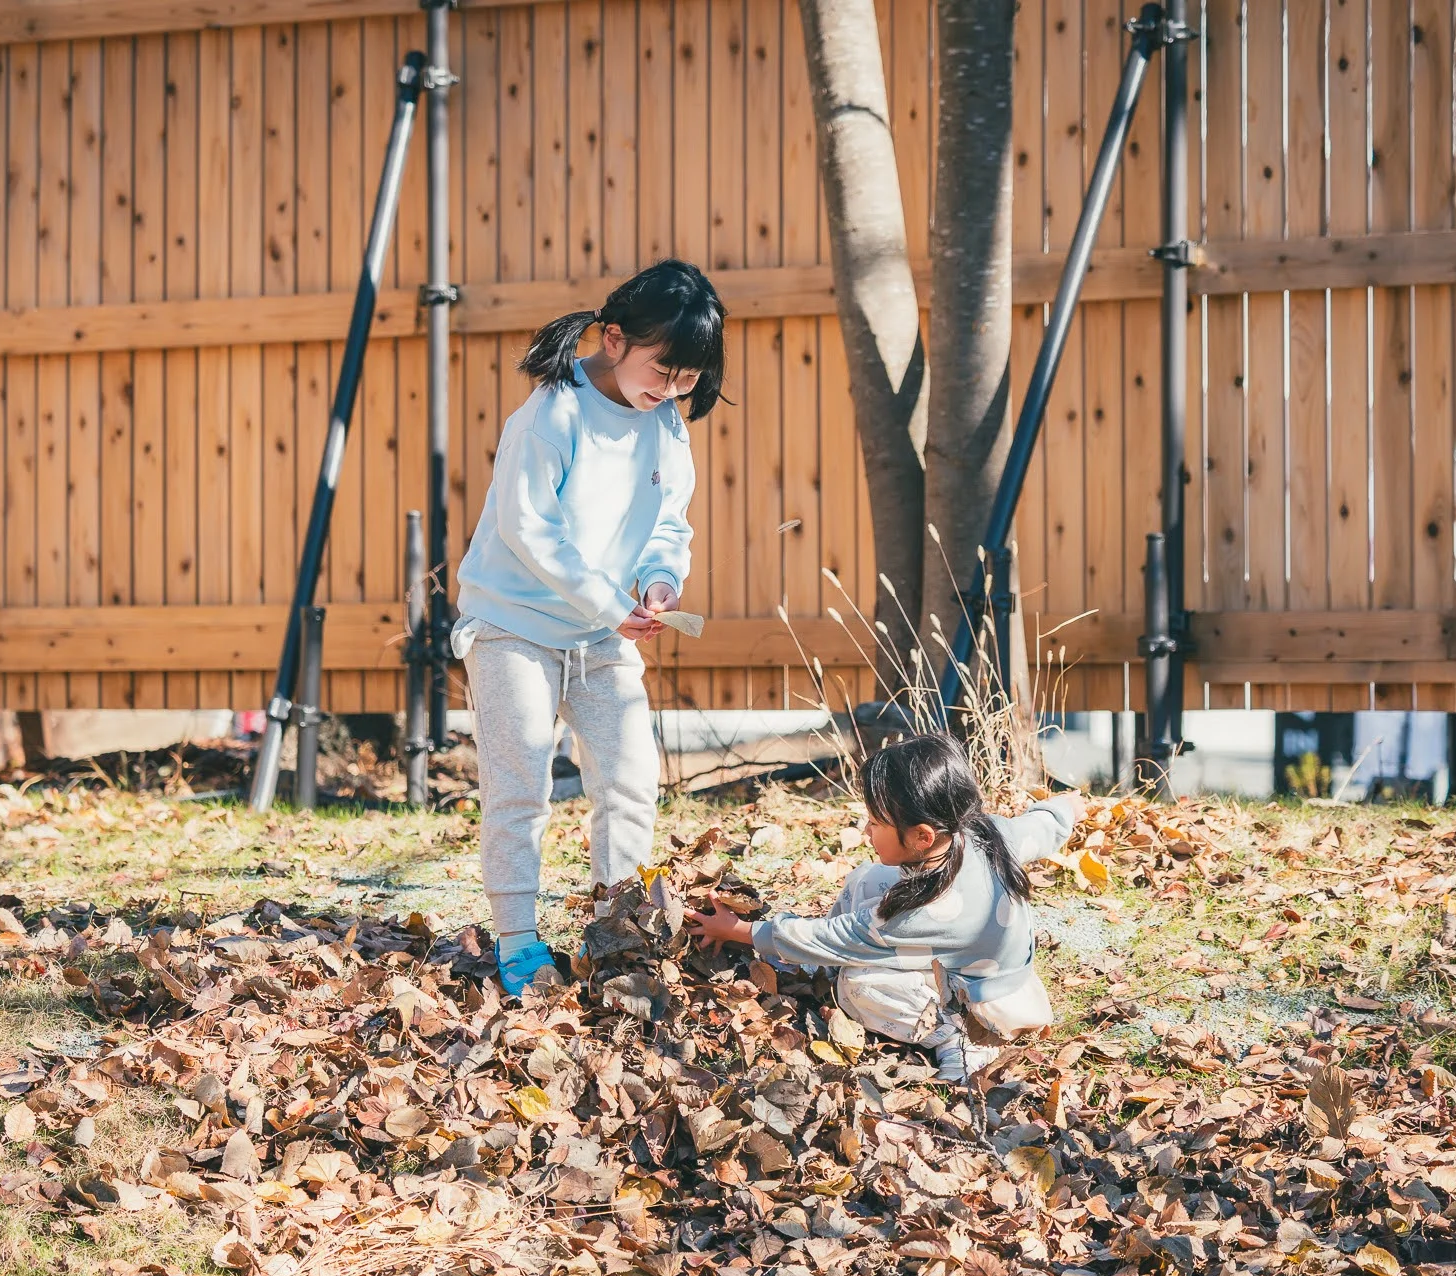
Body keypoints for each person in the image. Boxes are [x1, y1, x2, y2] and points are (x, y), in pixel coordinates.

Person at [453, 259, 726, 997]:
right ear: (613, 338)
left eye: (688, 380)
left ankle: (618, 926)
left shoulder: (666, 424)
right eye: (663, 371)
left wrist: (664, 576)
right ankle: (517, 941)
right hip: (513, 625)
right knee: (520, 786)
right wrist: (609, 601)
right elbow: (528, 529)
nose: (671, 392)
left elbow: (671, 520)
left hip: (601, 631)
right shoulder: (553, 413)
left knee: (631, 774)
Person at [689, 735, 1084, 1081]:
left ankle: (956, 1036)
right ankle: (817, 963)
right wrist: (1068, 806)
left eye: (875, 822)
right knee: (869, 876)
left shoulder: (919, 913)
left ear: (921, 836)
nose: (866, 830)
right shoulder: (982, 831)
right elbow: (1043, 826)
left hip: (990, 1007)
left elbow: (833, 936)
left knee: (857, 985)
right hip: (980, 964)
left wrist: (738, 930)